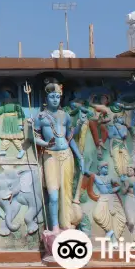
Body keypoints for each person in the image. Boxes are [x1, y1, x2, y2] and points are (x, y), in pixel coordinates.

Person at [30, 78, 84, 232]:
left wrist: (79, 155)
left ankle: (66, 224)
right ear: (46, 98)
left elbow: (69, 138)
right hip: (50, 155)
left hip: (66, 155)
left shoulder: (65, 116)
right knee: (53, 195)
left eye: (58, 96)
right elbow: (34, 137)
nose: (55, 99)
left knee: (66, 192)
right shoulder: (40, 117)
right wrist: (46, 144)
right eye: (52, 96)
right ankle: (54, 227)